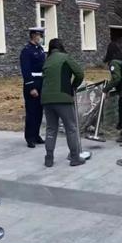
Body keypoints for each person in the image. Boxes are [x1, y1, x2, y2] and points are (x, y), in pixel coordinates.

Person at [40, 38, 85, 167]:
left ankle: (49, 158)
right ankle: (75, 157)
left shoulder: (47, 61)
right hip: (63, 98)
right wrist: (73, 86)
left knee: (51, 129)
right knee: (71, 128)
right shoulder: (66, 58)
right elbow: (80, 73)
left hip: (47, 99)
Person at [20, 27, 46, 148]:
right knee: (31, 111)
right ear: (34, 35)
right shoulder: (27, 51)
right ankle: (29, 137)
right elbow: (25, 70)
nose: (41, 38)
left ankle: (36, 135)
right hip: (32, 83)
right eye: (39, 35)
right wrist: (31, 87)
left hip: (41, 81)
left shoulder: (40, 49)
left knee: (39, 111)